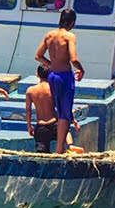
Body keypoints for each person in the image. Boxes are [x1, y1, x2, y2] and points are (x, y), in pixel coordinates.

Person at [35, 8, 85, 153]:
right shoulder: (69, 36)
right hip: (64, 76)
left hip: (52, 75)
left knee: (58, 109)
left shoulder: (49, 35)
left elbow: (38, 56)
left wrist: (51, 65)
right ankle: (59, 149)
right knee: (65, 114)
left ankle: (61, 146)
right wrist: (81, 69)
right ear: (72, 22)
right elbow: (73, 59)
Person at [24, 65, 59, 153]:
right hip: (55, 123)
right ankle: (70, 145)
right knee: (64, 139)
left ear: (37, 75)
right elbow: (60, 106)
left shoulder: (30, 90)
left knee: (42, 154)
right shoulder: (53, 88)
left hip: (41, 126)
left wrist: (29, 126)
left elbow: (28, 110)